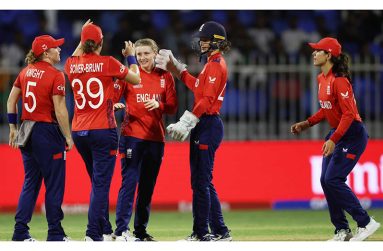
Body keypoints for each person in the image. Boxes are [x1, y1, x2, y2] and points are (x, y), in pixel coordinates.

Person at [291, 37, 381, 241]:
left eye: (318, 50)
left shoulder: (339, 80)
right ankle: (342, 230)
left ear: (329, 55)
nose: (314, 53)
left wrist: (334, 139)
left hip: (352, 135)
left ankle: (366, 223)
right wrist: (307, 123)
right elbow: (326, 110)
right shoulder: (321, 79)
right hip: (338, 133)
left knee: (333, 179)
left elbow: (349, 114)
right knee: (325, 180)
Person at [155, 21, 232, 241]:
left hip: (207, 123)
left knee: (200, 183)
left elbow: (207, 100)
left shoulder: (216, 65)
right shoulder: (212, 63)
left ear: (217, 41)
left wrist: (187, 121)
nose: (201, 43)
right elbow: (199, 88)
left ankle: (201, 233)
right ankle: (220, 231)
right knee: (204, 181)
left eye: (205, 39)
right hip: (205, 124)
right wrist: (178, 68)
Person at [64, 19, 141, 241]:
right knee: (101, 184)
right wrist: (130, 56)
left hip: (79, 131)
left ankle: (105, 230)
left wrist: (83, 36)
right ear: (101, 42)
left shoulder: (71, 65)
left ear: (82, 42)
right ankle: (93, 234)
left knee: (97, 184)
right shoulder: (107, 62)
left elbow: (77, 55)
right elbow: (135, 79)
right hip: (102, 130)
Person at [7, 34, 73, 241]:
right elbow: (60, 108)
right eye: (56, 47)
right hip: (47, 131)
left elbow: (11, 101)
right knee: (54, 184)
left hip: (26, 130)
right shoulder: (56, 75)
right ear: (46, 52)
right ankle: (54, 233)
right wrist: (68, 136)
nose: (59, 50)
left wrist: (12, 126)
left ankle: (20, 232)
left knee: (30, 183)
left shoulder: (25, 72)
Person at [113, 38, 178, 241]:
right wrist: (113, 105)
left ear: (155, 54)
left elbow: (173, 107)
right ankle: (121, 230)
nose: (142, 58)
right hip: (131, 136)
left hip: (156, 139)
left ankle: (140, 232)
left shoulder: (166, 77)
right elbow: (112, 97)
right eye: (139, 54)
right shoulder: (129, 75)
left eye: (146, 54)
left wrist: (158, 104)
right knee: (130, 182)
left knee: (147, 187)